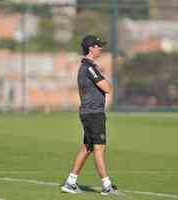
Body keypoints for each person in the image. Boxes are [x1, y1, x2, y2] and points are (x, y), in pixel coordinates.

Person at [61, 35, 119, 195]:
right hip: (93, 113)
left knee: (87, 147)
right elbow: (107, 88)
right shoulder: (90, 68)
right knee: (100, 147)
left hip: (88, 112)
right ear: (91, 48)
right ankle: (107, 186)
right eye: (98, 46)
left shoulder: (86, 67)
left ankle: (70, 182)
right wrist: (105, 80)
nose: (100, 48)